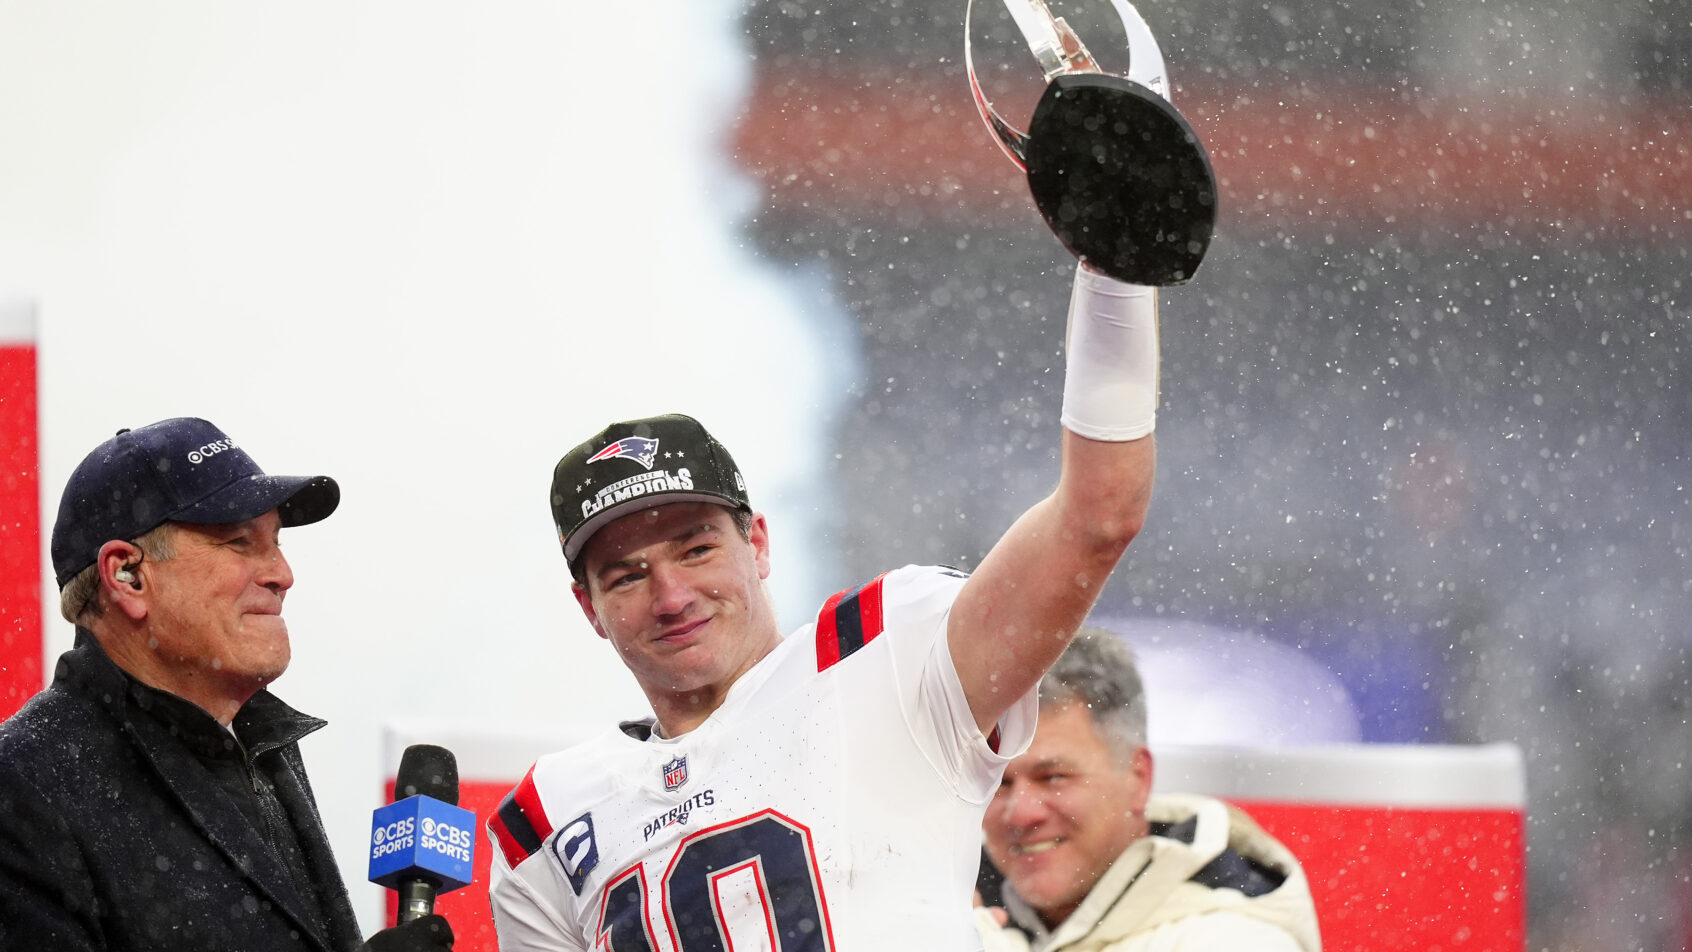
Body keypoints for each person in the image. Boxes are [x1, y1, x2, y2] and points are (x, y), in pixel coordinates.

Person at [486, 251, 1159, 948]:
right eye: (628, 576)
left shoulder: (886, 651)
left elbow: (1097, 519)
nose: (672, 596)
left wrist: (1117, 274)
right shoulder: (548, 821)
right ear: (589, 608)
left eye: (696, 549)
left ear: (758, 544)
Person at [0, 417, 452, 952]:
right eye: (240, 542)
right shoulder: (23, 786)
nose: (282, 574)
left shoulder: (257, 740)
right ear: (127, 576)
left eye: (276, 542)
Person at [975, 628, 1322, 952]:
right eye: (998, 782)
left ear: (1137, 777)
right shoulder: (958, 905)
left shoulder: (1237, 940)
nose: (1021, 813)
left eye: (1053, 778)